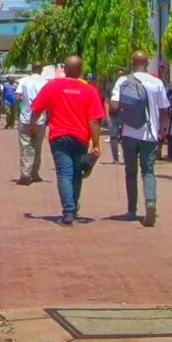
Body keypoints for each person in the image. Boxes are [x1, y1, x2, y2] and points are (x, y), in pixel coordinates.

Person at [31, 55, 108, 226]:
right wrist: (96, 144)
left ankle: (68, 212)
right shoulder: (90, 90)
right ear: (81, 71)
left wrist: (32, 126)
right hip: (81, 138)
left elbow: (36, 109)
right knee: (76, 174)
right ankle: (72, 209)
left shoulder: (52, 86)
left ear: (64, 70)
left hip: (59, 137)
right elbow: (94, 121)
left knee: (64, 173)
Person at [110, 52, 170, 226]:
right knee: (148, 172)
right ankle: (150, 202)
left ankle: (131, 210)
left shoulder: (123, 81)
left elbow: (114, 106)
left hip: (129, 134)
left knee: (130, 172)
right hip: (150, 135)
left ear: (132, 62)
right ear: (147, 63)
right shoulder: (156, 83)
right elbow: (164, 109)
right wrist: (161, 130)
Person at [13, 65, 54, 184]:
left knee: (26, 146)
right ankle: (35, 173)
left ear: (31, 70)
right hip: (40, 119)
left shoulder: (24, 81)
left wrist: (18, 111)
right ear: (41, 70)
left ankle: (25, 174)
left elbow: (18, 96)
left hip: (25, 118)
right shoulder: (46, 83)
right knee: (37, 146)